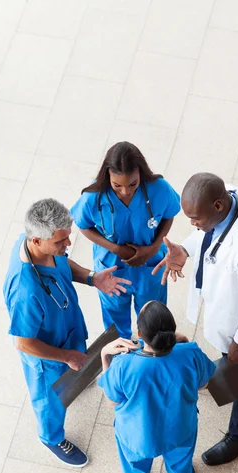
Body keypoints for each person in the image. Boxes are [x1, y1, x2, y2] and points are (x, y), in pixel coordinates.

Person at [152, 173, 238, 466]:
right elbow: (207, 234)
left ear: (219, 206)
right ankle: (224, 378)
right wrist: (185, 249)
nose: (193, 224)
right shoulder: (228, 199)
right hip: (224, 306)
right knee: (230, 361)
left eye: (196, 218)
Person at [3, 199, 131, 467]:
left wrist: (91, 277)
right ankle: (50, 437)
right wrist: (64, 357)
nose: (68, 245)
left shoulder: (41, 247)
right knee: (50, 401)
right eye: (60, 241)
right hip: (47, 355)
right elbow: (24, 343)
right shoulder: (25, 291)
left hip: (66, 330)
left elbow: (62, 262)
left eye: (67, 237)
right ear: (36, 240)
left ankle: (72, 376)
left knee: (74, 367)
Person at [98, 301, 215, 473]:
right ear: (172, 329)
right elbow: (204, 384)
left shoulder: (123, 365)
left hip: (137, 436)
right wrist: (185, 342)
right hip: (180, 429)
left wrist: (105, 355)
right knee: (181, 467)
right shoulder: (190, 353)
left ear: (139, 334)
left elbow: (112, 400)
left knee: (135, 471)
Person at [70, 141, 180, 339]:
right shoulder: (93, 198)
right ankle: (121, 355)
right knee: (114, 323)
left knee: (153, 320)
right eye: (117, 185)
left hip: (150, 267)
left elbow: (169, 214)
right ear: (108, 176)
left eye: (133, 184)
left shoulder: (159, 189)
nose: (125, 192)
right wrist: (115, 248)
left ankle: (151, 353)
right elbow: (83, 225)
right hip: (111, 268)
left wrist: (154, 248)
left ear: (141, 173)